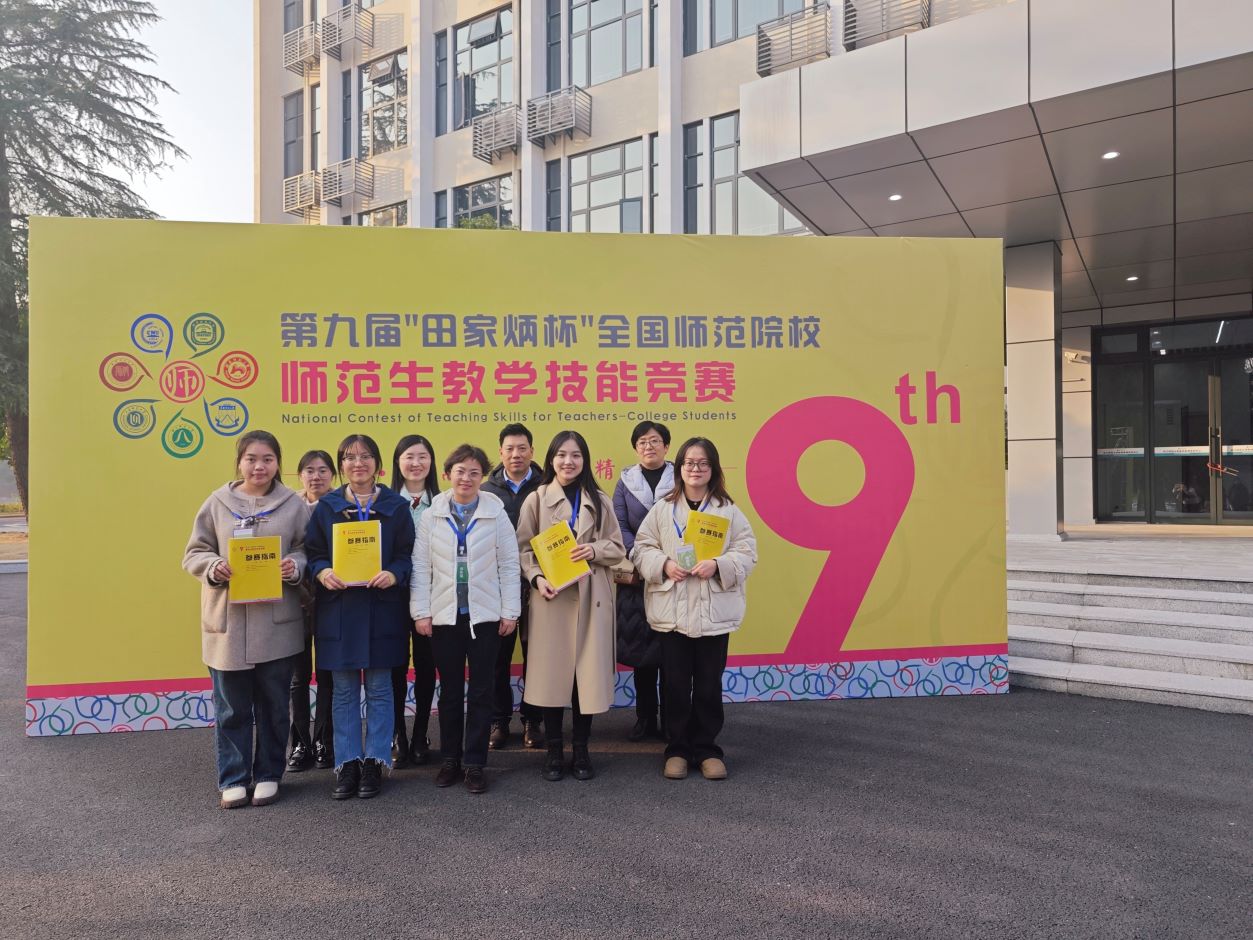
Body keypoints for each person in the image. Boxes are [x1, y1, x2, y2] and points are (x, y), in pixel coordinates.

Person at [182, 431, 308, 809]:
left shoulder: (293, 504)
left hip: (277, 623)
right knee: (232, 707)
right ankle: (234, 777)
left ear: (277, 463)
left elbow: (307, 549)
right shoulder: (217, 503)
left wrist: (295, 565)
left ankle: (269, 774)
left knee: (274, 705)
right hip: (229, 625)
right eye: (251, 458)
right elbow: (194, 552)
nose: (259, 466)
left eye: (268, 459)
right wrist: (213, 566)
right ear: (239, 461)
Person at [632, 437, 757, 782]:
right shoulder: (663, 509)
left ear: (713, 469)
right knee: (674, 685)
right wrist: (664, 564)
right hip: (672, 613)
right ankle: (676, 750)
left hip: (713, 614)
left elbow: (747, 552)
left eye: (703, 463)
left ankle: (706, 750)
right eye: (689, 463)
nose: (695, 469)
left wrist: (718, 565)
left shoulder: (728, 511)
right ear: (680, 468)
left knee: (707, 685)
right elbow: (642, 548)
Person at [305, 434, 415, 801]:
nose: (358, 463)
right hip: (340, 610)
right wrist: (322, 571)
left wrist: (394, 573)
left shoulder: (396, 506)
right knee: (344, 691)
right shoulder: (327, 507)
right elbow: (314, 553)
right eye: (350, 458)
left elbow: (407, 554)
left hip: (383, 608)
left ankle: (375, 761)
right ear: (342, 466)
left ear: (378, 464)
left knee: (381, 689)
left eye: (366, 456)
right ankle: (348, 762)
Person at [516, 430, 625, 782]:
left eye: (576, 455)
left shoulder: (600, 499)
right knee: (551, 678)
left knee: (585, 680)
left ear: (585, 460)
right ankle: (553, 750)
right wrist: (537, 579)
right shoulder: (536, 499)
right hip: (552, 598)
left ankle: (581, 750)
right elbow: (523, 550)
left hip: (592, 598)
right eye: (561, 455)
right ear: (551, 459)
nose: (568, 461)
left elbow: (617, 548)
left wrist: (594, 550)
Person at [410, 444, 521, 794]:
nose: (467, 478)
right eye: (460, 471)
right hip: (445, 617)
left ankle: (474, 763)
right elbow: (420, 567)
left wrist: (510, 611)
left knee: (482, 691)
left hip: (485, 616)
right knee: (450, 692)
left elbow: (509, 564)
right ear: (447, 474)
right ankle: (450, 760)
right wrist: (421, 612)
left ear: (482, 477)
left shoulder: (495, 511)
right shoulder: (432, 515)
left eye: (474, 473)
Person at [481, 422, 545, 750]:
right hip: (497, 586)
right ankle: (499, 720)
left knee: (537, 654)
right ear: (501, 453)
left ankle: (534, 719)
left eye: (522, 448)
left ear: (532, 451)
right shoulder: (486, 491)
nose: (516, 454)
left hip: (540, 583)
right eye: (510, 449)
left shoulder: (548, 486)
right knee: (497, 657)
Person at [612, 420, 674, 742]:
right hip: (638, 579)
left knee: (673, 655)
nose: (648, 447)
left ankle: (673, 721)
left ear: (666, 446)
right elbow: (619, 525)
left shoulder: (681, 478)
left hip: (675, 577)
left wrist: (668, 561)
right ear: (635, 448)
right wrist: (642, 557)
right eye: (642, 443)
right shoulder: (626, 482)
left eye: (654, 441)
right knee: (642, 655)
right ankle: (645, 718)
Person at [388, 434, 440, 768]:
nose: (416, 463)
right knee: (395, 667)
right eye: (409, 456)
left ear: (432, 462)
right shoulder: (386, 502)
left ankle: (421, 733)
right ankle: (398, 735)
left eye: (423, 456)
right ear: (398, 462)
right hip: (392, 596)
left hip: (433, 597)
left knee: (426, 667)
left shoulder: (444, 502)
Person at [287, 449, 337, 772]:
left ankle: (324, 741)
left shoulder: (343, 506)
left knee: (328, 674)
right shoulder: (288, 506)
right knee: (298, 677)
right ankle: (299, 744)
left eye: (322, 470)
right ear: (300, 475)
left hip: (333, 599)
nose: (315, 476)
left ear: (333, 475)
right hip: (294, 601)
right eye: (309, 470)